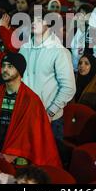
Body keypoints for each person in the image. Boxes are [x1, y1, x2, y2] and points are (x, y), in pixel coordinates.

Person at [0, 53, 62, 167]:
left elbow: (32, 133)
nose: (5, 69)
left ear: (20, 71)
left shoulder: (31, 99)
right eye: (3, 66)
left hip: (17, 158)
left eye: (10, 66)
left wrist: (12, 153)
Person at [20, 12, 76, 141]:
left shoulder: (59, 51)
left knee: (49, 159)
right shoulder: (24, 48)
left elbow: (69, 87)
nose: (33, 23)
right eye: (33, 20)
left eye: (39, 20)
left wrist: (50, 112)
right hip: (25, 114)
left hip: (50, 119)